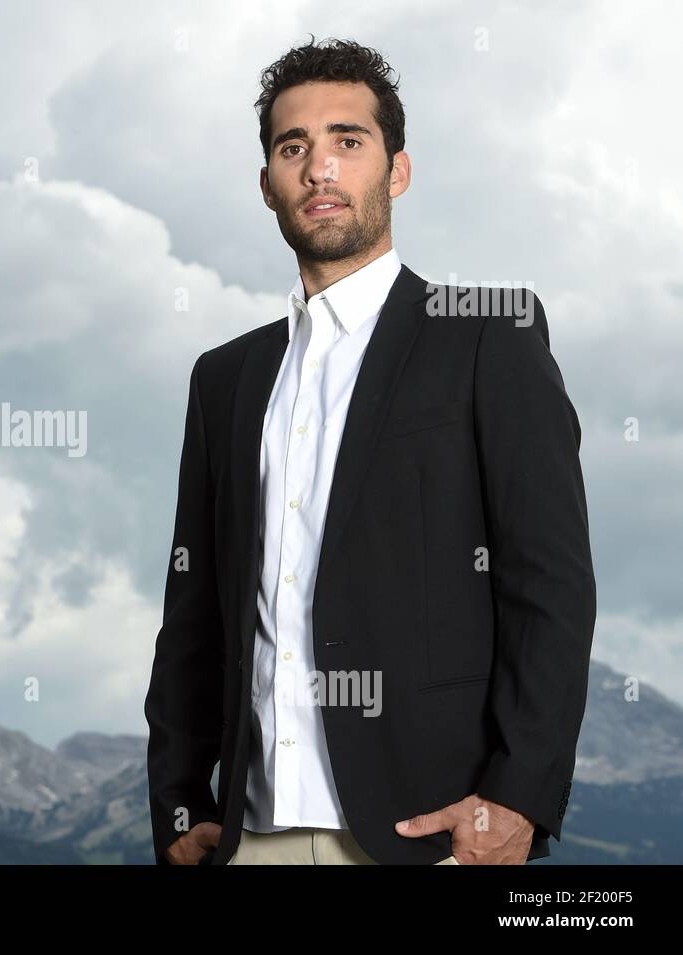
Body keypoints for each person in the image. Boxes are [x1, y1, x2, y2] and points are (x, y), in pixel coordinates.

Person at [143, 36, 596, 865]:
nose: (320, 169)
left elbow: (552, 587)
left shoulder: (489, 333)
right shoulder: (225, 379)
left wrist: (518, 795)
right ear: (268, 184)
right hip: (251, 839)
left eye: (348, 142)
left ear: (397, 170)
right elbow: (194, 610)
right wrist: (177, 799)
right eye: (294, 148)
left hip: (431, 832)